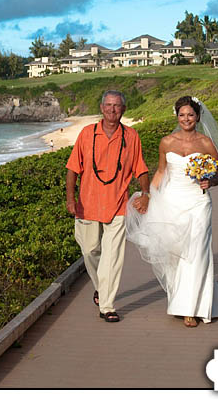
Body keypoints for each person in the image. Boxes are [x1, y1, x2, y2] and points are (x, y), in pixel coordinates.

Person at [126, 95, 218, 327]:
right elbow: (161, 172)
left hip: (198, 202)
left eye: (191, 115)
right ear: (177, 116)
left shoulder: (206, 143)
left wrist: (211, 182)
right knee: (176, 253)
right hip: (171, 201)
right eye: (182, 115)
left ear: (198, 117)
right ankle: (182, 299)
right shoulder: (166, 142)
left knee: (197, 252)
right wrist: (147, 197)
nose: (186, 119)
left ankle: (190, 309)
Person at [66, 90, 150, 323]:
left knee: (113, 257)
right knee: (90, 250)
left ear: (123, 109)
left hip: (119, 205)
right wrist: (71, 199)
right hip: (88, 204)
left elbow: (140, 168)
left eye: (117, 106)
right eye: (109, 105)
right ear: (102, 108)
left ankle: (107, 306)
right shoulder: (86, 134)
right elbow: (73, 168)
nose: (113, 110)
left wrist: (145, 193)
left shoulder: (131, 136)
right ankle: (100, 287)